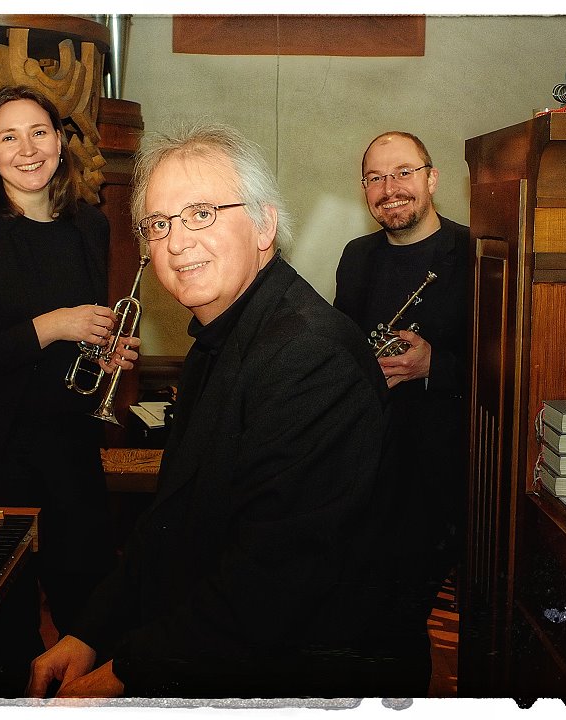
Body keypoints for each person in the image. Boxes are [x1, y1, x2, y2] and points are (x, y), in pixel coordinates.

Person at [27, 122, 429, 699]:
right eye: (159, 224)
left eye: (202, 214)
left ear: (264, 225)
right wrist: (89, 632)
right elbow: (169, 525)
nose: (176, 241)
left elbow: (272, 584)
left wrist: (121, 673)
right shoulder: (224, 337)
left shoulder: (311, 358)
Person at [0, 85, 140, 692]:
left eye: (40, 131)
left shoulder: (90, 226)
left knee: (93, 615)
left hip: (70, 451)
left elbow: (83, 344)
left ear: (61, 142)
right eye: (8, 137)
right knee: (0, 637)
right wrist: (52, 327)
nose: (27, 148)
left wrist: (106, 352)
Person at [333, 131, 470, 668]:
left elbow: (508, 371)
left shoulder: (475, 254)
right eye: (375, 177)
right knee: (357, 623)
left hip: (433, 480)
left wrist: (438, 365)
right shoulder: (356, 257)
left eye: (403, 173)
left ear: (431, 179)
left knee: (401, 628)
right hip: (363, 471)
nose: (390, 188)